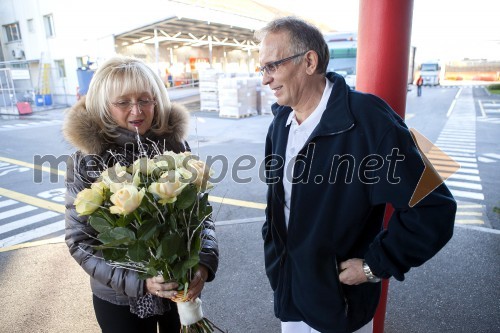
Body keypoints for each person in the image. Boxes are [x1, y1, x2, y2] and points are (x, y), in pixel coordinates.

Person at [256, 17, 456, 333]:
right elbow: (278, 201)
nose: (265, 80)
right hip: (290, 293)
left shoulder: (370, 122)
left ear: (309, 61)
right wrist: (273, 251)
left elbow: (435, 208)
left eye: (272, 67)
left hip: (339, 304)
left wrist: (373, 265)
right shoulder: (279, 123)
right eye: (262, 69)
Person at [63, 56, 219, 333]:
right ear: (103, 104)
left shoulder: (174, 145)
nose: (137, 111)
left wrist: (203, 263)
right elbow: (80, 241)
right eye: (123, 102)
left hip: (177, 291)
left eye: (145, 100)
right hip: (120, 302)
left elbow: (200, 218)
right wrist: (141, 282)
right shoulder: (88, 159)